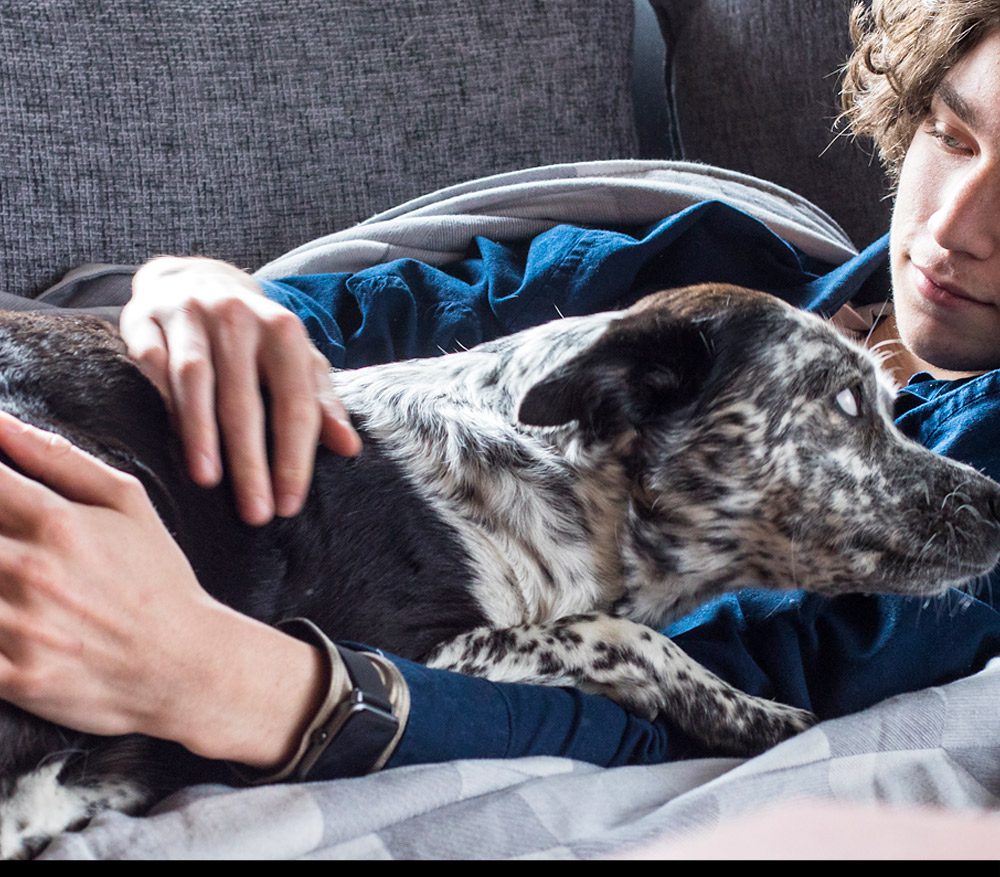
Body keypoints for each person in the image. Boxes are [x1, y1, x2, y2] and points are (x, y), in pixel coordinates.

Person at [1, 0, 999, 783]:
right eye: (953, 137)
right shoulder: (698, 256)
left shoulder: (971, 510)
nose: (953, 225)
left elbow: (729, 715)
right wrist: (195, 284)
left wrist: (231, 682)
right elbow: (337, 322)